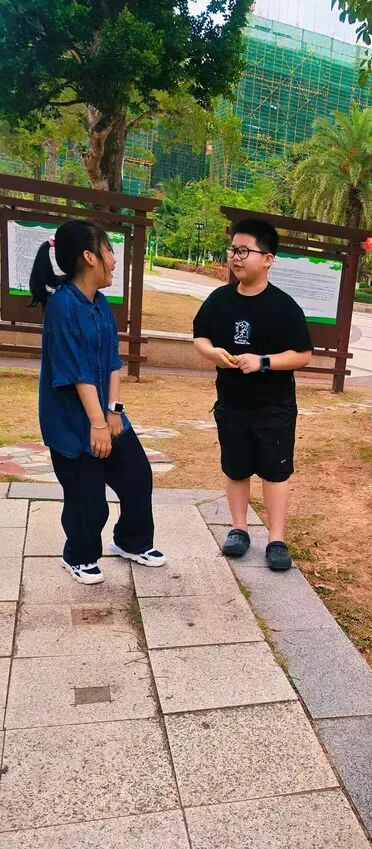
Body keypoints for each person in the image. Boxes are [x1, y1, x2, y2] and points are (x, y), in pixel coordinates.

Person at [30, 220, 165, 584]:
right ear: (90, 257)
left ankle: (131, 542)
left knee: (137, 477)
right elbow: (78, 375)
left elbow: (111, 362)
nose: (114, 260)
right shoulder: (63, 306)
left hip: (104, 413)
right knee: (88, 501)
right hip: (72, 423)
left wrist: (114, 411)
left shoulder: (101, 303)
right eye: (108, 250)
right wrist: (98, 423)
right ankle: (78, 556)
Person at [193, 218, 312, 571]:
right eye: (233, 249)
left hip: (274, 407)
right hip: (232, 404)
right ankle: (239, 529)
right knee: (236, 468)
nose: (236, 257)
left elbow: (302, 354)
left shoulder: (284, 307)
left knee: (276, 473)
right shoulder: (219, 300)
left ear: (268, 259)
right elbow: (200, 336)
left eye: (244, 251)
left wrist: (263, 362)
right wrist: (212, 352)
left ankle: (276, 539)